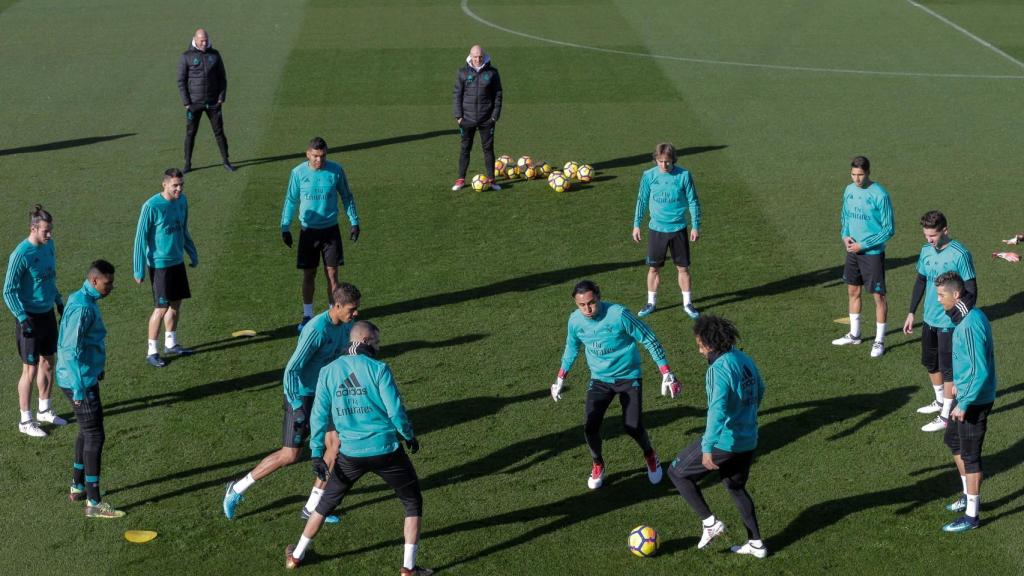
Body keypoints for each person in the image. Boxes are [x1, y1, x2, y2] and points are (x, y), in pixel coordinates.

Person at [284, 321, 431, 575]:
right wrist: (408, 435)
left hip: (350, 454)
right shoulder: (378, 369)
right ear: (364, 341)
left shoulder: (328, 372)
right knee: (412, 503)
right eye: (376, 342)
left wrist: (317, 452)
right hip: (386, 451)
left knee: (323, 505)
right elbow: (395, 410)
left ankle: (296, 556)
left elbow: (318, 416)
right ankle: (408, 568)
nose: (378, 347)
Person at [223, 284, 360, 523]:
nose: (356, 313)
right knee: (290, 455)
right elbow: (291, 370)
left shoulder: (346, 326)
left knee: (335, 446)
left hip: (325, 394)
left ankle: (312, 507)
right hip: (301, 394)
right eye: (352, 308)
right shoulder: (316, 330)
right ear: (337, 306)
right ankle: (236, 489)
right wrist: (296, 404)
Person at [551, 280, 679, 490]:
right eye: (581, 305)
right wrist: (560, 377)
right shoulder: (575, 321)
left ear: (599, 297)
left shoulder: (619, 315)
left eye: (591, 303)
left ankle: (650, 455)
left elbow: (648, 338)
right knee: (590, 426)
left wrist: (666, 372)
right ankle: (598, 463)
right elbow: (571, 347)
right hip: (600, 380)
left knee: (632, 426)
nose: (587, 309)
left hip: (629, 377)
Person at [667, 314, 766, 557]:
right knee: (735, 487)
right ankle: (756, 544)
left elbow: (717, 410)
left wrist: (708, 446)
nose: (699, 350)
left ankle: (710, 523)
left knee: (677, 473)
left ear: (709, 343)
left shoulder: (718, 369)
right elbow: (760, 389)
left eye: (700, 344)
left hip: (726, 442)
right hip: (749, 439)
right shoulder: (743, 358)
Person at [57, 260, 123, 518]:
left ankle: (77, 485)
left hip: (83, 376)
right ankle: (94, 502)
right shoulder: (83, 307)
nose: (111, 287)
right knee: (95, 435)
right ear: (95, 281)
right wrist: (79, 388)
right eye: (108, 283)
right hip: (79, 381)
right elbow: (69, 350)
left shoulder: (81, 298)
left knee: (87, 431)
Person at [902, 211, 976, 433]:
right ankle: (940, 401)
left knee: (948, 370)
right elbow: (921, 280)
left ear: (945, 230)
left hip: (949, 324)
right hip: (929, 320)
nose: (929, 240)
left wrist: (958, 319)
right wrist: (911, 312)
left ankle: (945, 416)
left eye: (932, 236)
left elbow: (971, 291)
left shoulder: (960, 254)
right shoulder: (926, 251)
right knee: (930, 363)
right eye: (926, 235)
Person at [934, 271, 997, 532]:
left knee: (971, 457)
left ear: (956, 294)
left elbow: (979, 371)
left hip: (974, 401)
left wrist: (964, 402)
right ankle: (965, 495)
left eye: (941, 295)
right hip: (967, 396)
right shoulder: (967, 316)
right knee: (953, 441)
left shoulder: (969, 323)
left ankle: (972, 516)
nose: (938, 300)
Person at [280, 137, 360, 331]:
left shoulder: (335, 171)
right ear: (308, 154)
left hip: (330, 231)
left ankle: (335, 313)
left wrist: (354, 221)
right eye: (315, 156)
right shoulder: (298, 173)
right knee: (309, 274)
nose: (319, 160)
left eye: (322, 156)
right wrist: (285, 226)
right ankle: (307, 315)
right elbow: (291, 199)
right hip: (308, 232)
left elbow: (346, 196)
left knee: (332, 275)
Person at [4, 205, 67, 436]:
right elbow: (8, 291)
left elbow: (49, 279)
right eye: (45, 231)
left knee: (48, 361)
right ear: (33, 228)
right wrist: (22, 318)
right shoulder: (21, 254)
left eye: (51, 230)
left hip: (47, 313)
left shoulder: (49, 245)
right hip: (28, 318)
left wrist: (58, 301)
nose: (50, 235)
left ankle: (44, 408)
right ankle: (25, 421)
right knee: (29, 369)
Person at [133, 168, 199, 368]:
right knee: (161, 307)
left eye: (181, 185)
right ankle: (151, 351)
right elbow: (140, 238)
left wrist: (192, 252)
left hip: (177, 262)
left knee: (176, 304)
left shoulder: (182, 201)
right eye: (175, 185)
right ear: (165, 184)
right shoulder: (151, 206)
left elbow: (183, 229)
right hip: (160, 265)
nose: (179, 189)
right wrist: (138, 269)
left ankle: (171, 343)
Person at [831, 156, 895, 358]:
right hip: (852, 251)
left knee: (878, 297)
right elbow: (845, 215)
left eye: (860, 175)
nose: (856, 179)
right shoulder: (849, 190)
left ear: (868, 173)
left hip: (872, 253)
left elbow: (889, 229)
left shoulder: (880, 194)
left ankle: (879, 341)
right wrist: (845, 236)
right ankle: (855, 334)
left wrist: (863, 245)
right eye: (853, 174)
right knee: (852, 291)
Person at [632, 142, 702, 319]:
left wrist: (695, 225)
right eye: (660, 161)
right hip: (657, 230)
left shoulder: (684, 175)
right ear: (656, 160)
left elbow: (693, 201)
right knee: (654, 268)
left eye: (668, 162)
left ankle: (687, 304)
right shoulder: (648, 176)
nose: (664, 165)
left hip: (678, 229)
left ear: (674, 160)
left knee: (683, 268)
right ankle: (651, 303)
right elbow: (642, 200)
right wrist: (636, 224)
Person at [177, 28, 234, 172]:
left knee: (219, 132)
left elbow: (222, 78)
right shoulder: (186, 56)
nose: (204, 42)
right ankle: (188, 164)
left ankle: (226, 161)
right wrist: (186, 103)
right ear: (195, 39)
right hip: (194, 104)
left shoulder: (215, 55)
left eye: (206, 40)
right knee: (191, 133)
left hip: (213, 102)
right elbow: (181, 81)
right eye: (202, 40)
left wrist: (221, 98)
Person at [451, 45, 502, 192]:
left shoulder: (492, 73)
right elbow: (457, 95)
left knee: (488, 149)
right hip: (467, 119)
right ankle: (461, 179)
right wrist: (458, 116)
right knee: (465, 148)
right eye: (475, 57)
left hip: (487, 119)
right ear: (470, 56)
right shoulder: (462, 73)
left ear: (483, 56)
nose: (478, 59)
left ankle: (491, 180)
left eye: (480, 56)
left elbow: (498, 94)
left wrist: (495, 116)